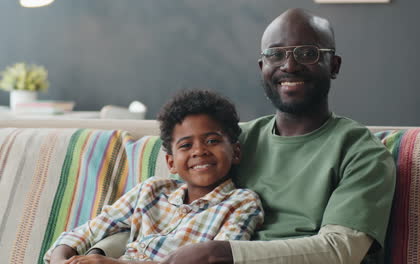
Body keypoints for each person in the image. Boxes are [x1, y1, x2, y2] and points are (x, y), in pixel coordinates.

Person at [91, 8, 396, 264]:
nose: (289, 65)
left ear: (334, 65)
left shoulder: (360, 152)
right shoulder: (228, 142)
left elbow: (340, 250)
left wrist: (222, 252)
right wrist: (99, 253)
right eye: (276, 55)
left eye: (307, 53)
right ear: (263, 68)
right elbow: (162, 217)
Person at [44, 90, 264, 264]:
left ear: (235, 152)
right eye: (186, 145)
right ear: (171, 163)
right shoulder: (151, 191)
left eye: (212, 141)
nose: (199, 151)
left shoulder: (242, 203)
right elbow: (87, 232)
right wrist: (60, 259)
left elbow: (217, 259)